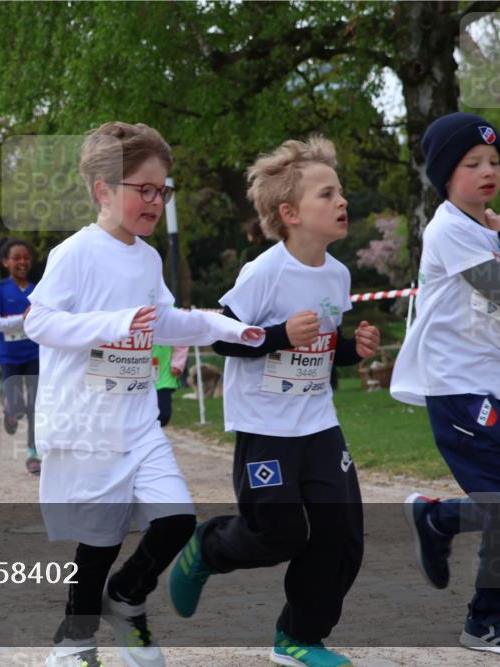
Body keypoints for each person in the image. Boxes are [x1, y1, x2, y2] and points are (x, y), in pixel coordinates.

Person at [23, 121, 264, 667]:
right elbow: (38, 321)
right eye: (144, 189)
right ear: (103, 189)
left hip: (137, 421)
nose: (156, 201)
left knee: (177, 519)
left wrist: (228, 329)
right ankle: (75, 642)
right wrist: (114, 322)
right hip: (87, 423)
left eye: (163, 190)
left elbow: (164, 322)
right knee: (100, 541)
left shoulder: (149, 258)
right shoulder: (76, 252)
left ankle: (127, 599)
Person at [167, 136, 379, 667]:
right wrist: (280, 333)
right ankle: (207, 548)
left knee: (342, 535)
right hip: (265, 425)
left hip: (317, 422)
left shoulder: (337, 273)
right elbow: (218, 338)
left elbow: (322, 351)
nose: (342, 202)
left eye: (341, 192)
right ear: (289, 213)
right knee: (278, 533)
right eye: (327, 194)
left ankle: (298, 637)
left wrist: (353, 350)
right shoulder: (264, 272)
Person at [390, 113, 500, 655]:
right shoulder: (449, 228)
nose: (487, 171)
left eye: (494, 162)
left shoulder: (481, 228)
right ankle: (487, 620)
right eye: (472, 164)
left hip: (499, 387)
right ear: (446, 175)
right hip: (460, 389)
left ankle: (438, 516)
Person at [0, 237, 41, 474]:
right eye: (16, 258)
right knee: (19, 406)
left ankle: (33, 453)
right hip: (9, 357)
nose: (22, 262)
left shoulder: (37, 289)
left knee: (35, 406)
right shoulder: (0, 289)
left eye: (26, 257)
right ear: (5, 262)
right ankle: (10, 412)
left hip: (35, 353)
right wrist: (22, 319)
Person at [152, 344, 187, 427]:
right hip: (136, 372)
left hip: (164, 374)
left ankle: (151, 432)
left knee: (164, 415)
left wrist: (178, 364)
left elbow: (181, 341)